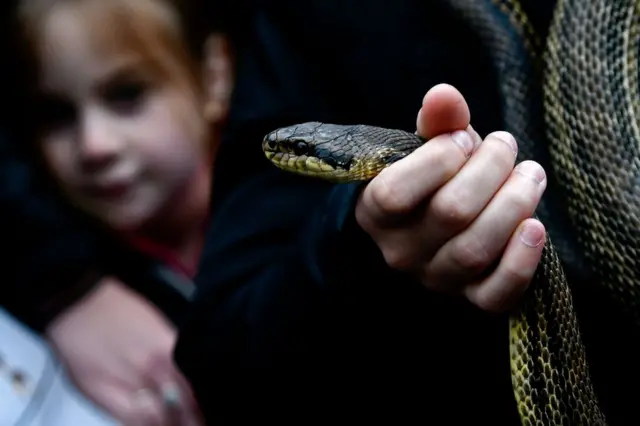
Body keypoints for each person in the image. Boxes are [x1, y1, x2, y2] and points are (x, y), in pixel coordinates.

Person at [173, 1, 640, 424]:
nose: (286, 152)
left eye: (301, 150)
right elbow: (226, 353)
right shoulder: (311, 24)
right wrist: (357, 235)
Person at [3, 0, 232, 423]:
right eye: (56, 115)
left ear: (215, 76)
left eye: (127, 94)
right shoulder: (58, 261)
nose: (93, 145)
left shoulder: (286, 216)